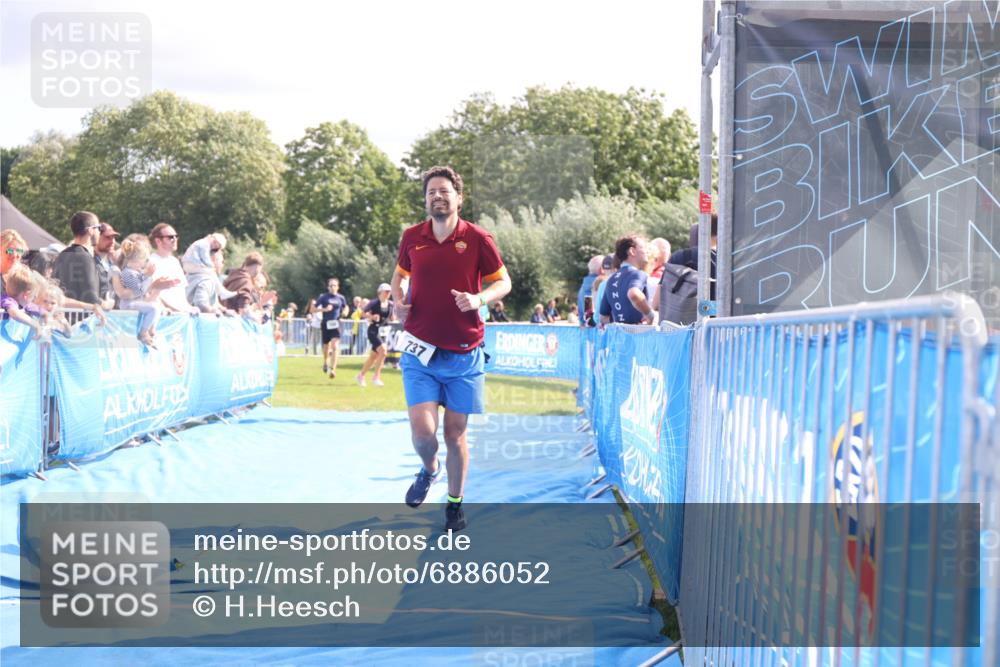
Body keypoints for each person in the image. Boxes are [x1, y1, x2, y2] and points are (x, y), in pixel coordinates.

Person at [391, 165, 511, 531]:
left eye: (444, 191)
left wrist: (478, 299)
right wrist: (398, 300)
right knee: (423, 433)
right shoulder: (412, 237)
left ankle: (455, 504)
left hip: (464, 353)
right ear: (425, 200)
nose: (437, 197)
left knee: (455, 433)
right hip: (420, 350)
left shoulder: (477, 238)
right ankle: (429, 469)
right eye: (431, 192)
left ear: (459, 197)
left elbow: (503, 282)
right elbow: (400, 276)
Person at [119, 234, 173, 348]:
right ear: (137, 260)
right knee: (153, 308)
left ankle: (151, 330)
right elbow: (139, 290)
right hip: (128, 304)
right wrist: (149, 277)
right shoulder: (127, 273)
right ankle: (143, 333)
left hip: (133, 302)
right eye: (144, 260)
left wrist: (153, 281)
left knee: (156, 306)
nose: (145, 263)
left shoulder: (134, 272)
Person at [600, 234, 655, 326]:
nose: (647, 251)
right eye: (643, 248)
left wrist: (620, 323)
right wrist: (650, 315)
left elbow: (603, 318)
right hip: (639, 332)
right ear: (632, 251)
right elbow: (634, 294)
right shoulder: (638, 274)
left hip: (620, 334)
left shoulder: (611, 280)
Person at [52, 211, 103, 305]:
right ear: (91, 230)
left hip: (63, 312)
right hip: (82, 313)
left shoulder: (62, 255)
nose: (100, 232)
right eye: (99, 227)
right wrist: (107, 304)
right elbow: (91, 297)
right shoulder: (85, 257)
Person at [149, 223, 198, 315]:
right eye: (170, 237)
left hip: (181, 315)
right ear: (158, 241)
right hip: (165, 315)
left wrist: (189, 307)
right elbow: (152, 293)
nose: (175, 239)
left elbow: (181, 292)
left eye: (176, 236)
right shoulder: (151, 262)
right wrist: (174, 309)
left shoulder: (175, 261)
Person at [356, 283, 394, 387]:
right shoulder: (374, 303)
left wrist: (393, 318)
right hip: (373, 330)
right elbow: (362, 313)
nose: (388, 293)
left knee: (373, 356)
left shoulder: (391, 304)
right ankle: (376, 377)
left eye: (389, 292)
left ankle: (361, 375)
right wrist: (372, 317)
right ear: (380, 292)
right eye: (386, 291)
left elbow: (392, 317)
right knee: (383, 352)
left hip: (383, 332)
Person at [315, 277, 348, 378]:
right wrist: (325, 309)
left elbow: (345, 307)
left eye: (334, 285)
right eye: (331, 286)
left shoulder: (341, 298)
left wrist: (345, 312)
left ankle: (333, 369)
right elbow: (312, 309)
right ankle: (325, 361)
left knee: (335, 346)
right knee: (326, 347)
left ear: (338, 287)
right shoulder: (323, 297)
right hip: (325, 324)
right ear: (328, 287)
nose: (333, 287)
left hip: (336, 325)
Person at [577, 255, 602, 326]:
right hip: (600, 328)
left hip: (587, 328)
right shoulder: (602, 285)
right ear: (601, 269)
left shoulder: (582, 288)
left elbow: (585, 316)